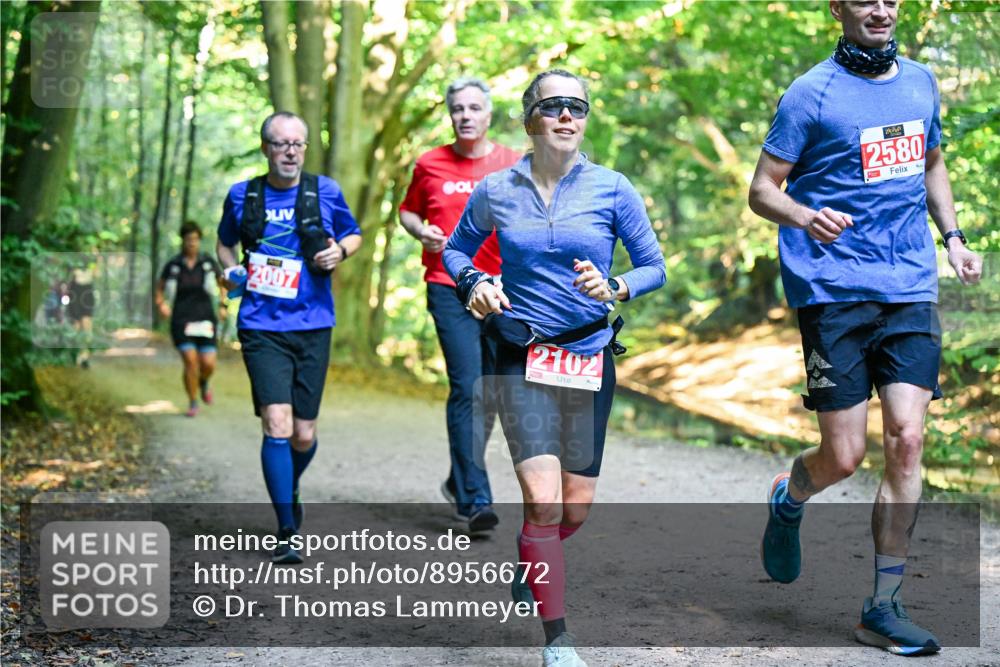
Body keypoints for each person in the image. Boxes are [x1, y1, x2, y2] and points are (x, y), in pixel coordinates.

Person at [748, 0, 983, 656]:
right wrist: (802, 215)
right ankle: (791, 494)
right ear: (838, 9)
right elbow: (761, 189)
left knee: (906, 440)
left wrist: (954, 237)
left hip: (909, 284)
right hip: (833, 291)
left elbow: (931, 160)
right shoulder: (811, 93)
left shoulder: (921, 82)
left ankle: (882, 603)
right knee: (844, 456)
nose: (879, 10)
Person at [443, 69, 665, 667]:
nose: (567, 116)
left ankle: (533, 560)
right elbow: (456, 248)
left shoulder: (612, 188)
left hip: (589, 357)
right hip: (522, 354)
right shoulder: (496, 189)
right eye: (554, 106)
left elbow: (654, 266)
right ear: (528, 119)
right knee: (541, 503)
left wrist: (614, 285)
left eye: (578, 107)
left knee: (574, 509)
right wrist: (473, 281)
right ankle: (558, 639)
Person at [217, 111, 362, 564]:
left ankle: (290, 482)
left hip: (314, 323)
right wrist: (228, 270)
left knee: (303, 434)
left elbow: (353, 234)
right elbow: (224, 243)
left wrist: (339, 251)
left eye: (297, 144)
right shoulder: (243, 195)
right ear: (266, 149)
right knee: (276, 424)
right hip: (261, 324)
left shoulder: (326, 192)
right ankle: (286, 529)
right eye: (280, 144)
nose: (290, 151)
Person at [399, 77, 520, 532]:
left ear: (488, 115)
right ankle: (474, 498)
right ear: (450, 116)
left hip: (502, 290)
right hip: (447, 284)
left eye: (474, 108)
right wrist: (420, 231)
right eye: (458, 109)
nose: (465, 115)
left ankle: (458, 477)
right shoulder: (430, 163)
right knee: (468, 384)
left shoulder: (512, 164)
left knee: (489, 393)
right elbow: (408, 210)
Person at [155, 221, 228, 418]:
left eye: (195, 239)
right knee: (190, 361)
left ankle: (203, 382)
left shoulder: (207, 262)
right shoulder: (174, 265)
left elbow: (222, 284)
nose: (192, 243)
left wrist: (223, 305)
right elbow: (159, 288)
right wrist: (161, 304)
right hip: (181, 320)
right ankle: (193, 401)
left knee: (208, 363)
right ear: (183, 241)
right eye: (188, 239)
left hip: (205, 319)